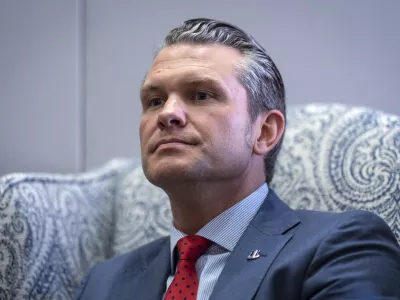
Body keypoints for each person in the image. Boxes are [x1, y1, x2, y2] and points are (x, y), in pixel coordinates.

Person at [75, 18, 400, 300]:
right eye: (155, 100)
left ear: (264, 132)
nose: (167, 114)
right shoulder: (103, 283)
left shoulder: (340, 246)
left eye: (201, 95)